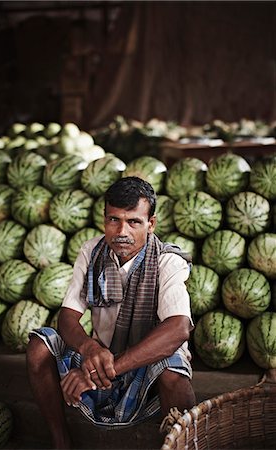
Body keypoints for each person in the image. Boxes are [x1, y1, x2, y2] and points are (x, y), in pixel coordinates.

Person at [26, 176, 196, 449]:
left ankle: (180, 444)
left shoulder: (168, 261)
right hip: (101, 356)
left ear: (151, 224)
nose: (121, 232)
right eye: (113, 220)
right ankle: (61, 440)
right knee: (38, 347)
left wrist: (105, 369)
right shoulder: (92, 252)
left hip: (143, 365)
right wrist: (88, 348)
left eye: (134, 222)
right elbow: (68, 317)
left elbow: (179, 329)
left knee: (173, 369)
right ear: (104, 219)